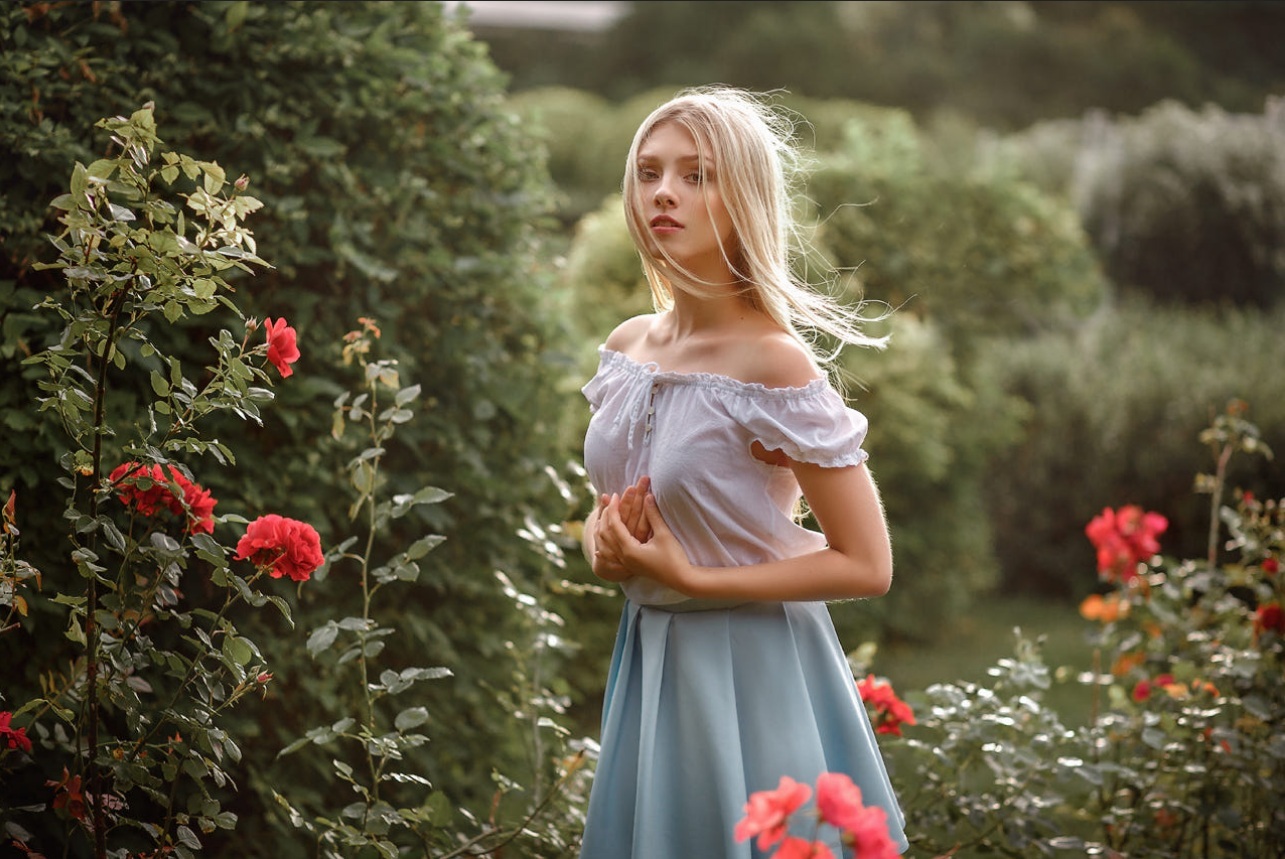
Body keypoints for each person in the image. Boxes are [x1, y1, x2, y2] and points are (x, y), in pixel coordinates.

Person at [576, 85, 909, 858]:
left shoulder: (771, 362)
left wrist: (696, 581)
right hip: (649, 653)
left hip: (754, 668)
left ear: (743, 198)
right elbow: (629, 506)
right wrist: (602, 545)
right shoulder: (626, 347)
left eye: (697, 175)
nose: (664, 192)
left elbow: (867, 563)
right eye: (649, 172)